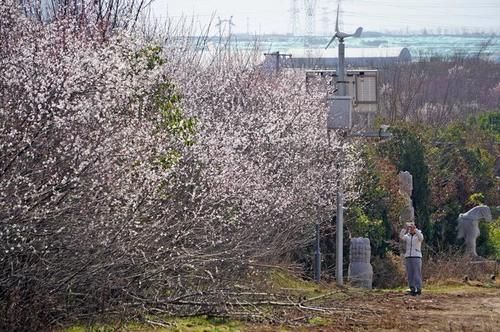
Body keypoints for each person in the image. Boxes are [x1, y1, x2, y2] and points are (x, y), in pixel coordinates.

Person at [399, 222, 424, 296]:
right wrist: (404, 228)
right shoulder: (408, 236)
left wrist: (415, 230)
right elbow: (401, 237)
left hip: (416, 256)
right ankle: (412, 288)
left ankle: (418, 289)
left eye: (411, 227)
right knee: (410, 274)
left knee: (417, 273)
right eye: (410, 228)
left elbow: (421, 238)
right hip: (408, 256)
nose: (411, 229)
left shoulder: (418, 235)